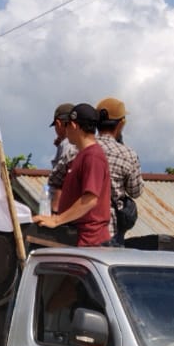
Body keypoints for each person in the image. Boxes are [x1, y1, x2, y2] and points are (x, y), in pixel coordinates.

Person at [32, 103, 112, 247]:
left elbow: (90, 199)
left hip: (90, 242)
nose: (65, 130)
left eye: (67, 125)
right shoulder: (82, 155)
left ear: (74, 126)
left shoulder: (93, 157)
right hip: (79, 238)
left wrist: (57, 220)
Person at [94, 97, 143, 245]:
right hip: (111, 230)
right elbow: (136, 191)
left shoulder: (77, 149)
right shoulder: (127, 155)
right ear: (121, 124)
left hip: (79, 228)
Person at [47, 102, 78, 213]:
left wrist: (55, 212)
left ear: (58, 123)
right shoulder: (80, 144)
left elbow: (61, 179)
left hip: (62, 210)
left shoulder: (67, 146)